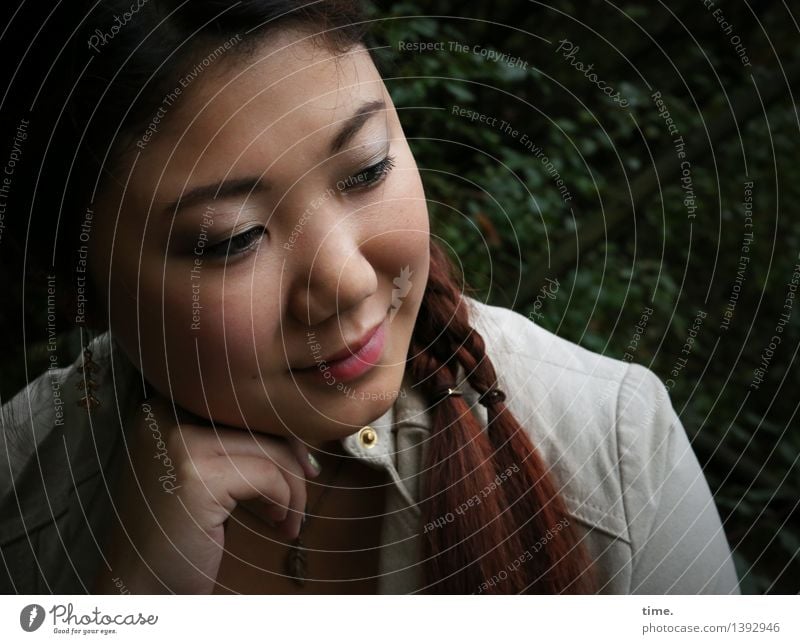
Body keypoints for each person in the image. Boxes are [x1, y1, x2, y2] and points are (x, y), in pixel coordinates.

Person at [0, 0, 739, 595]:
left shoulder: (612, 445)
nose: (350, 281)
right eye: (231, 239)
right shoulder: (20, 488)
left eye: (365, 170)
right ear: (76, 289)